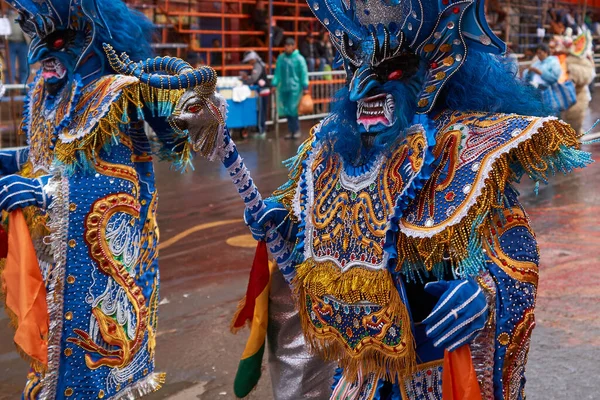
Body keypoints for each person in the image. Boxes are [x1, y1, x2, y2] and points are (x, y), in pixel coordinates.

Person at [241, 0, 591, 397]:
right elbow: (325, 241)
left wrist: (485, 294)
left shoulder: (465, 148)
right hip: (358, 377)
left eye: (392, 71)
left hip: (433, 376)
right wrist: (289, 227)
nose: (366, 87)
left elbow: (515, 251)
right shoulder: (336, 152)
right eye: (361, 70)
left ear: (436, 68)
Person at [0, 0, 216, 398]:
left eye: (58, 40)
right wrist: (12, 161)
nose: (41, 52)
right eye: (38, 38)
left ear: (89, 39)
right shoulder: (47, 93)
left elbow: (119, 187)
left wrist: (42, 192)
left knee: (86, 368)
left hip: (98, 268)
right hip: (54, 254)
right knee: (50, 359)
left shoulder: (111, 95)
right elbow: (49, 154)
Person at [272, 38, 309, 139]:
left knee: (293, 109)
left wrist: (305, 86)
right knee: (287, 109)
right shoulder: (281, 58)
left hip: (295, 88)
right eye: (286, 45)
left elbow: (303, 73)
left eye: (289, 45)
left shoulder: (299, 58)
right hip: (284, 87)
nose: (287, 47)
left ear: (293, 46)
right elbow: (277, 72)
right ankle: (291, 131)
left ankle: (296, 130)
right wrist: (274, 84)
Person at [241, 50, 270, 137]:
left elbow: (254, 79)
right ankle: (261, 130)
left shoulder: (257, 66)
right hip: (262, 90)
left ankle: (261, 131)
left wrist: (245, 81)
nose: (249, 62)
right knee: (261, 111)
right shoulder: (259, 64)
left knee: (261, 112)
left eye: (250, 60)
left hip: (262, 91)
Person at [7, 9, 28, 83]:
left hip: (23, 43)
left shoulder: (25, 14)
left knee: (24, 67)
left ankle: (23, 87)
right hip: (10, 43)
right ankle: (9, 88)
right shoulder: (6, 14)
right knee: (10, 66)